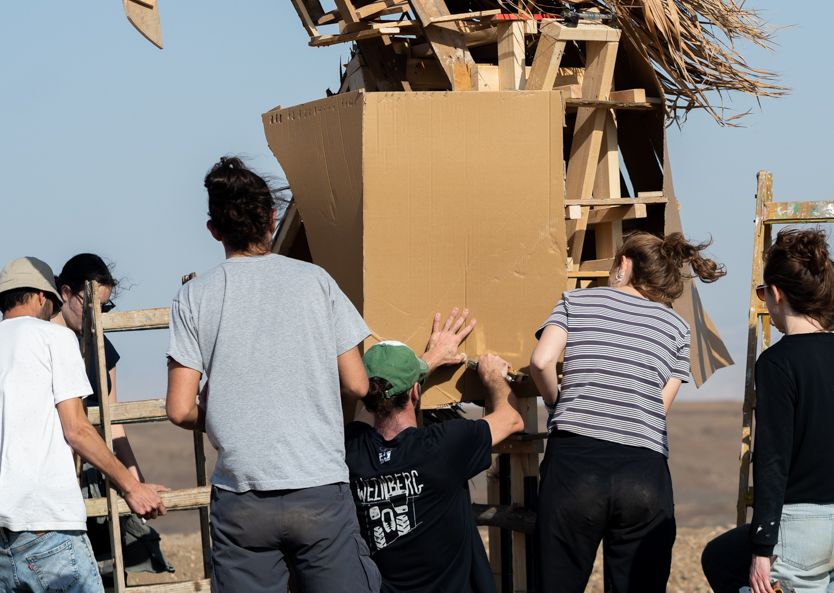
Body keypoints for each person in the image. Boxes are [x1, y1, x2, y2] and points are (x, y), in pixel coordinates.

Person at [164, 156, 380, 593]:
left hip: (241, 500)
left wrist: (229, 408)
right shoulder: (316, 282)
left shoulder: (193, 297)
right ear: (273, 219)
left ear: (214, 229)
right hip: (320, 490)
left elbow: (180, 409)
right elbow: (358, 384)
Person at [528, 232, 726, 593]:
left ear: (624, 265)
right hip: (644, 474)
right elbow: (657, 408)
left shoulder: (575, 302)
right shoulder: (677, 328)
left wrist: (558, 405)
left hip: (575, 464)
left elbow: (541, 362)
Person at [0, 256, 166, 593]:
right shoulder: (54, 340)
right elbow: (77, 429)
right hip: (47, 520)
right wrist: (132, 486)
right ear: (44, 296)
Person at [699, 228, 834, 593]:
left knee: (719, 560)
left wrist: (762, 548)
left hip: (805, 526)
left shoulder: (776, 363)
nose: (765, 302)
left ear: (777, 293)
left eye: (763, 293)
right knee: (719, 554)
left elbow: (772, 459)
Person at [344, 309, 525, 593]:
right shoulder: (443, 446)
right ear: (416, 392)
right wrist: (493, 378)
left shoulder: (350, 451)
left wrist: (427, 362)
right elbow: (512, 418)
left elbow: (368, 412)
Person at [54, 253, 172, 576]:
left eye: (103, 308)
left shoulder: (104, 350)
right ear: (65, 293)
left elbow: (115, 424)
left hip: (102, 472)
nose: (96, 316)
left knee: (107, 572)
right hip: (60, 477)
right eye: (89, 304)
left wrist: (135, 480)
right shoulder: (44, 345)